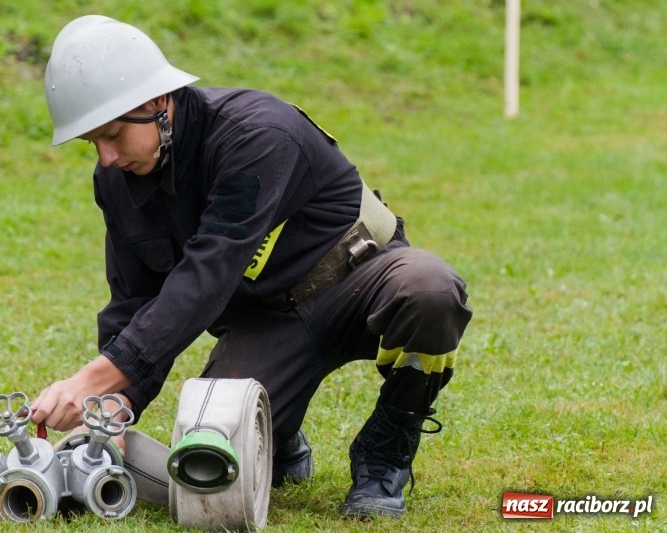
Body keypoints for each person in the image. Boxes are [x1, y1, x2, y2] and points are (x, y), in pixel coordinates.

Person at [31, 15, 472, 520]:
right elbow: (133, 298)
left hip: (360, 278)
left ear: (156, 103)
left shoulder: (256, 133)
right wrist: (114, 405)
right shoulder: (117, 181)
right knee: (209, 465)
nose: (106, 158)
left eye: (111, 135)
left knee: (430, 290)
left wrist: (93, 378)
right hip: (267, 318)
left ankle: (386, 452)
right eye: (92, 143)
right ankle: (281, 438)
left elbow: (209, 271)